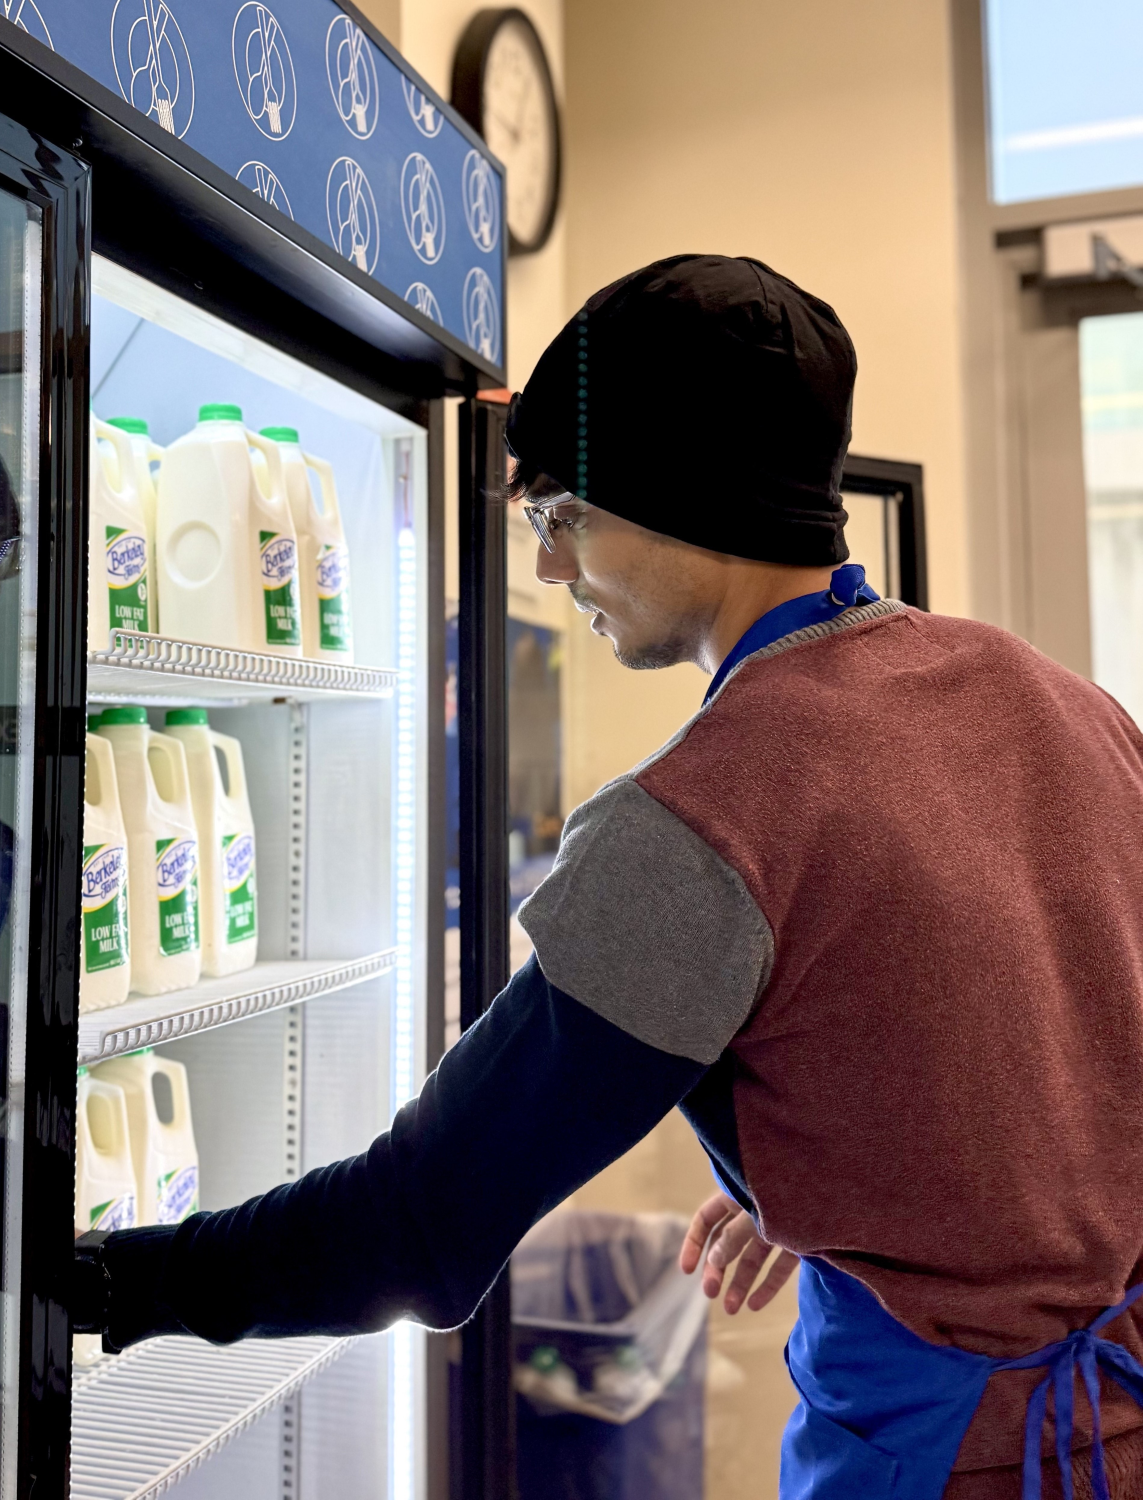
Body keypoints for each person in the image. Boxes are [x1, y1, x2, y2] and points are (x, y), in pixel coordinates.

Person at [75, 256, 1143, 1500]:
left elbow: (422, 1225)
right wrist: (891, 1196)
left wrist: (96, 1279)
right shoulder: (1062, 703)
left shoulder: (698, 822)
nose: (544, 569)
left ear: (678, 493)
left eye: (559, 514)